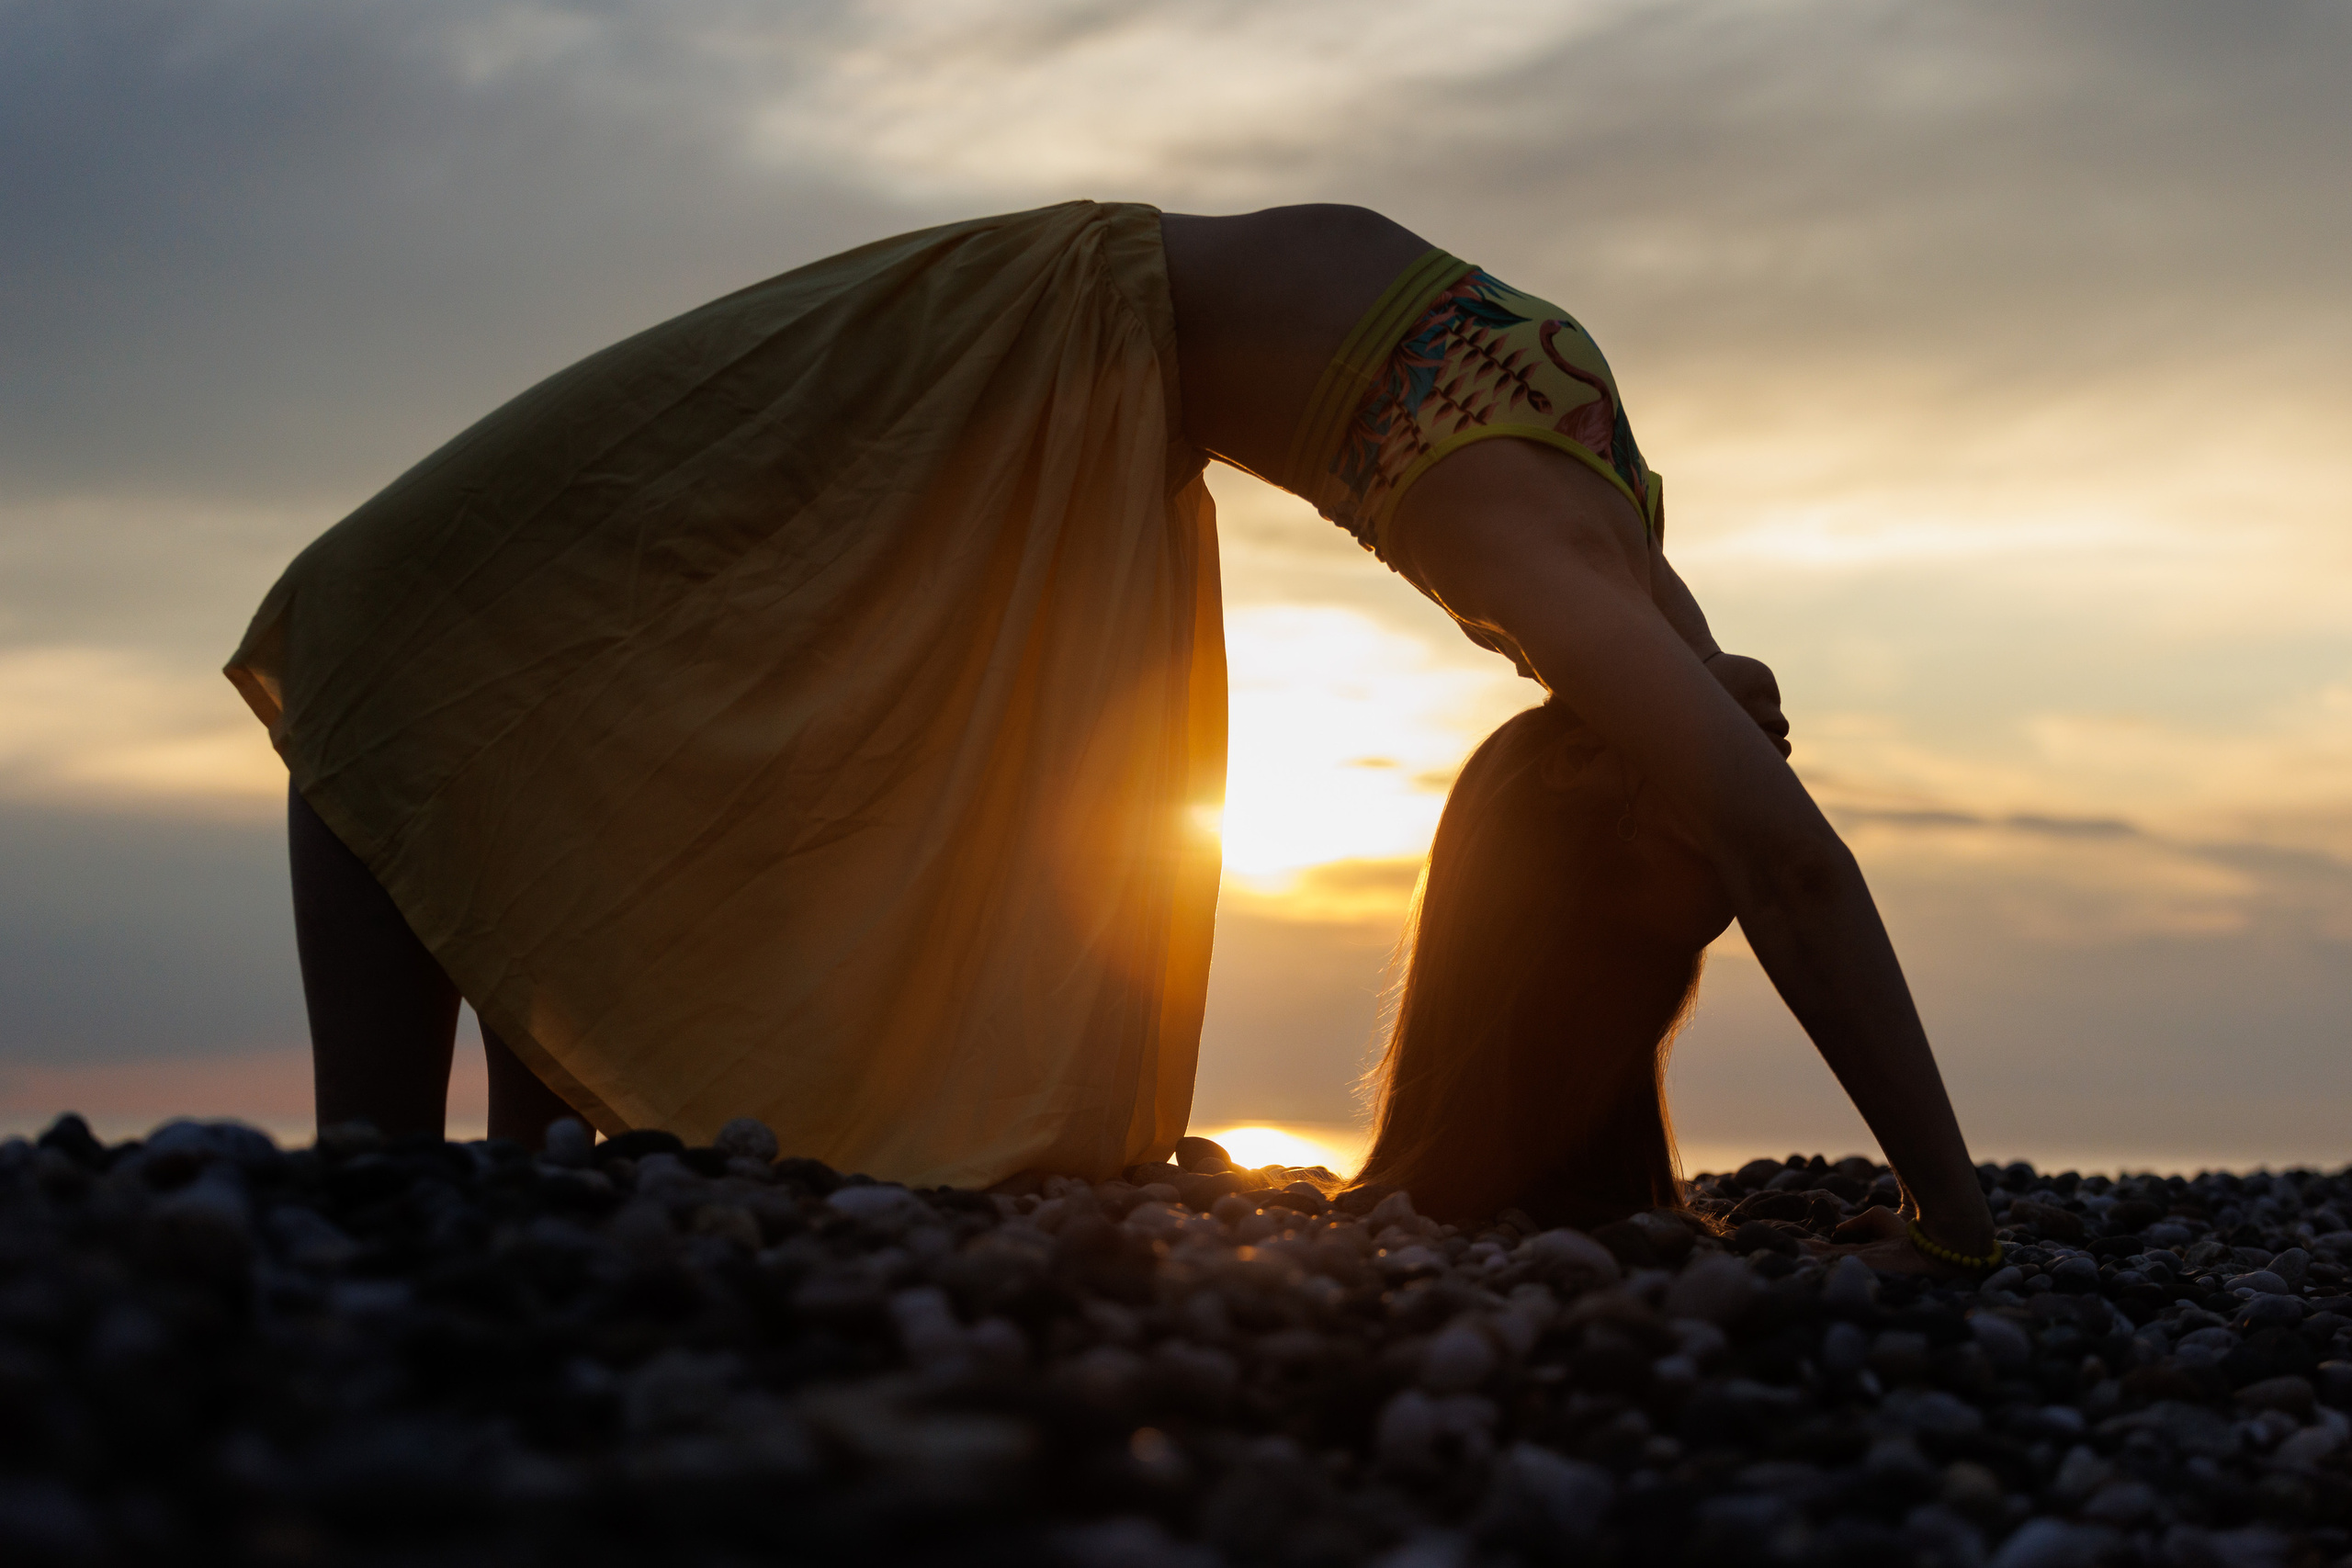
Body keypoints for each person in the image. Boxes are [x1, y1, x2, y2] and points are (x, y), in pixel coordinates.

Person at [229, 200, 1997, 1273]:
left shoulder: (1576, 575)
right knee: (443, 592)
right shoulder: (1595, 577)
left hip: (1059, 378)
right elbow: (1797, 866)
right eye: (1710, 889)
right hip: (1035, 334)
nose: (1752, 795)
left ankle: (434, 1202)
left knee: (583, 647)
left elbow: (1766, 846)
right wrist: (1952, 1222)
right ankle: (414, 1179)